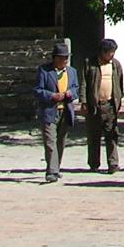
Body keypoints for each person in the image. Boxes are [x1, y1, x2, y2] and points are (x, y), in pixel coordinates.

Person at [33, 39, 77, 183]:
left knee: (61, 141)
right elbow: (37, 90)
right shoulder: (44, 71)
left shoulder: (72, 72)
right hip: (49, 111)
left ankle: (56, 168)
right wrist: (52, 96)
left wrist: (71, 93)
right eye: (62, 58)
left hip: (65, 111)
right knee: (50, 142)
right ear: (55, 58)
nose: (65, 61)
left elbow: (76, 88)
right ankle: (51, 171)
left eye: (66, 58)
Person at [81, 37, 123, 173]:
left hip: (110, 105)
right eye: (110, 52)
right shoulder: (90, 63)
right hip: (95, 105)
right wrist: (84, 102)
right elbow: (84, 83)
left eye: (113, 52)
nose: (112, 55)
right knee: (94, 136)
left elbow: (120, 82)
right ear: (102, 52)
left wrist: (118, 100)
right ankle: (94, 163)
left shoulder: (115, 64)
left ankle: (113, 164)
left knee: (112, 135)